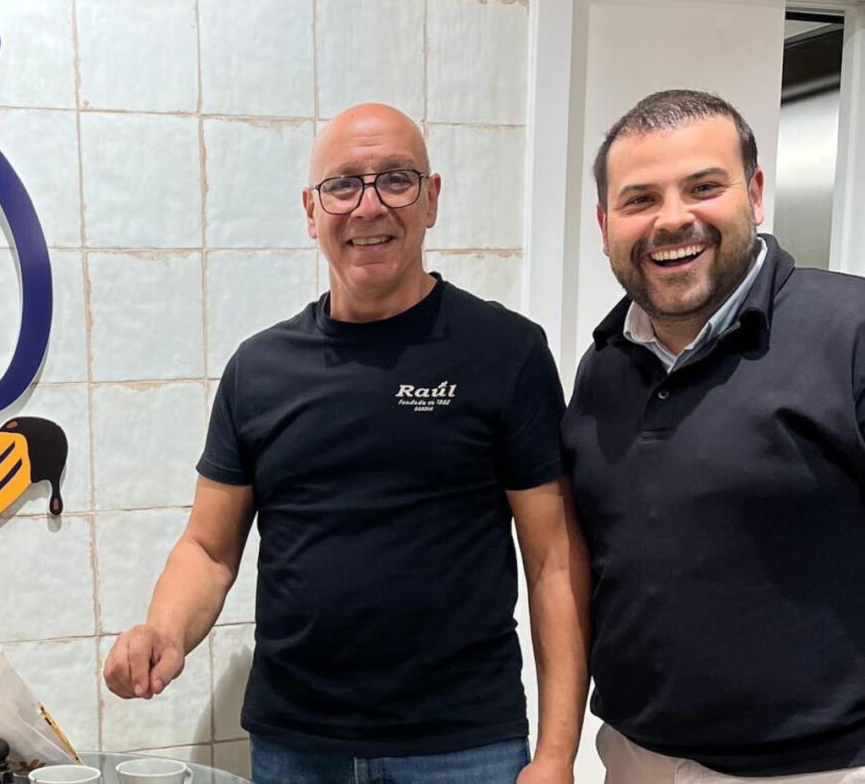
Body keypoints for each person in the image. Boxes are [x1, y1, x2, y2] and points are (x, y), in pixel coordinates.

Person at [104, 103, 591, 784]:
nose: (369, 205)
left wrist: (557, 755)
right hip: (296, 746)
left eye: (396, 179)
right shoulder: (258, 370)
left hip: (463, 747)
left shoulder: (506, 353)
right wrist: (163, 630)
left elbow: (553, 564)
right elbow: (209, 549)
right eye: (343, 185)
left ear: (431, 199)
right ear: (312, 210)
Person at [563, 88, 865, 784]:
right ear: (605, 223)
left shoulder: (850, 334)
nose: (673, 219)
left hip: (818, 771)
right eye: (640, 199)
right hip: (634, 759)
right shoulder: (604, 365)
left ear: (754, 194)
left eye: (703, 187)